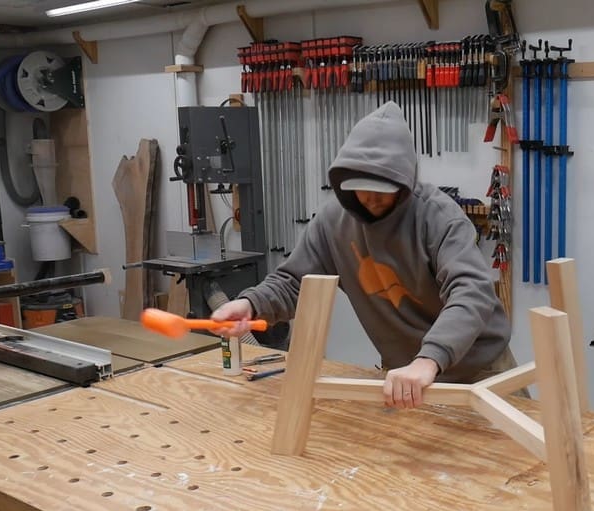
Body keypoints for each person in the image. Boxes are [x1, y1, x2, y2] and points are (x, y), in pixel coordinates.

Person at [211, 101, 511, 409]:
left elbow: (471, 292)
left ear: (404, 181)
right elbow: (293, 283)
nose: (370, 198)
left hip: (477, 371)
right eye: (360, 187)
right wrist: (251, 304)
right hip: (405, 376)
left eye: (382, 188)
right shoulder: (332, 223)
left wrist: (430, 359)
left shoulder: (439, 218)